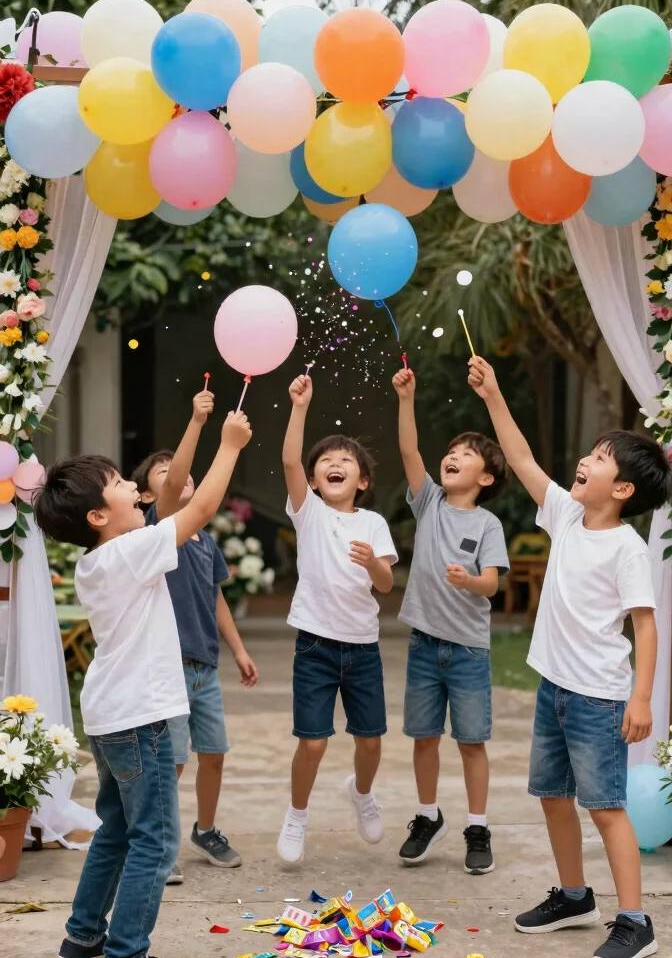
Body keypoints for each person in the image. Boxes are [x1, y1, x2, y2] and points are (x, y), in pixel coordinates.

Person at [35, 411, 252, 958]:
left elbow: (175, 495)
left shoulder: (103, 558)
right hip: (141, 718)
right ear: (98, 516)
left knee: (116, 831)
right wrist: (229, 446)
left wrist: (200, 430)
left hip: (112, 717)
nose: (136, 487)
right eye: (120, 483)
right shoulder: (127, 554)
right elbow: (200, 510)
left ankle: (84, 939)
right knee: (154, 841)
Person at [469, 355, 672, 958]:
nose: (586, 460)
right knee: (552, 796)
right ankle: (575, 896)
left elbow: (645, 624)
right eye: (591, 452)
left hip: (598, 697)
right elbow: (524, 460)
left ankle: (636, 921)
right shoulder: (566, 516)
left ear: (625, 490)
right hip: (553, 687)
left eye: (601, 458)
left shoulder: (627, 549)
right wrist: (495, 396)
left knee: (605, 807)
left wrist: (641, 699)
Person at [133, 389, 259, 884]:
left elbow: (216, 598)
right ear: (147, 497)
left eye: (176, 470)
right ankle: (161, 841)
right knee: (175, 760)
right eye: (162, 474)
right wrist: (196, 422)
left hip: (204, 666)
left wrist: (239, 650)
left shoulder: (204, 540)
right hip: (168, 666)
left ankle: (205, 830)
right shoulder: (158, 527)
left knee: (214, 754)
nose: (176, 478)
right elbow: (180, 482)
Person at [392, 367, 510, 874]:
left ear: (485, 478)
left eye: (466, 454)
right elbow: (409, 453)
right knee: (423, 736)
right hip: (424, 644)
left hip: (466, 650)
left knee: (471, 742)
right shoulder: (429, 503)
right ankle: (427, 815)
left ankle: (478, 826)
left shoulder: (488, 523)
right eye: (452, 451)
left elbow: (493, 583)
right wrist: (407, 399)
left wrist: (471, 582)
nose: (452, 456)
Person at [277, 373, 398, 864]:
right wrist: (300, 407)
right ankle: (296, 815)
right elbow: (289, 458)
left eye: (345, 461)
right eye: (325, 461)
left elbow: (386, 583)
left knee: (370, 742)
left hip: (362, 647)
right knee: (312, 743)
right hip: (314, 646)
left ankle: (362, 794)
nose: (334, 463)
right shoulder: (309, 513)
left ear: (362, 480)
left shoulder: (373, 523)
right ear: (312, 480)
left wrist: (371, 562)